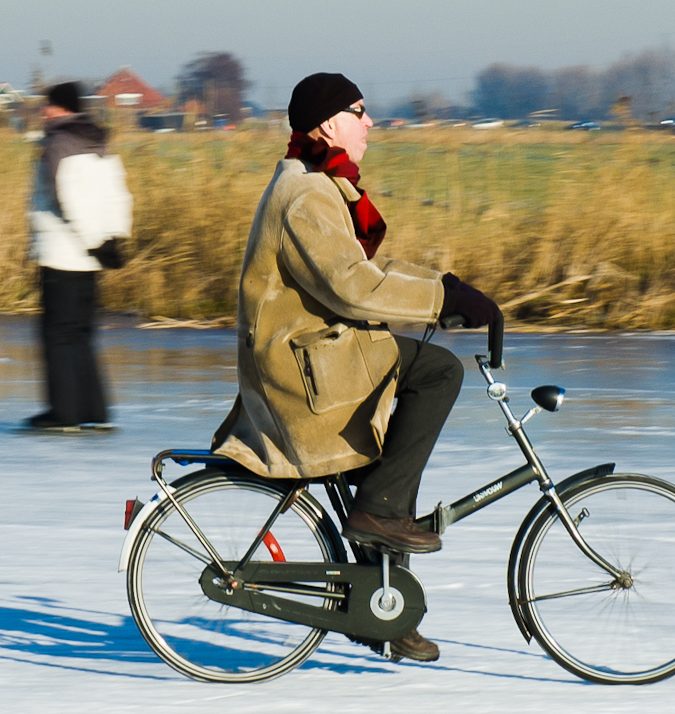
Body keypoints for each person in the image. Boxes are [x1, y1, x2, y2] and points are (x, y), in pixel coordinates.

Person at [211, 72, 500, 662]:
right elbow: (352, 285)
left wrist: (445, 286)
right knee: (438, 373)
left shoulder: (315, 183)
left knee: (383, 466)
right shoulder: (309, 194)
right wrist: (445, 303)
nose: (370, 122)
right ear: (325, 124)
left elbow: (362, 267)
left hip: (312, 353)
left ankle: (380, 604)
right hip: (305, 369)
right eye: (359, 111)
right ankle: (380, 515)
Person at [27, 81, 133, 431]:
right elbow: (117, 192)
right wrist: (114, 238)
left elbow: (66, 197)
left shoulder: (58, 142)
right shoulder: (99, 142)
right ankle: (93, 409)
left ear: (60, 108)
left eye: (48, 105)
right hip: (91, 255)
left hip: (62, 253)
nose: (43, 111)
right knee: (82, 333)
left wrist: (92, 240)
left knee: (58, 334)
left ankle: (65, 412)